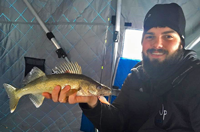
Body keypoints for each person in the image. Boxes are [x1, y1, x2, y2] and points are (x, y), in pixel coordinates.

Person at [42, 3, 200, 132]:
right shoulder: (137, 76)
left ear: (181, 43)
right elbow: (116, 123)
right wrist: (92, 102)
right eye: (150, 36)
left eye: (168, 36)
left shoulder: (195, 77)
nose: (157, 44)